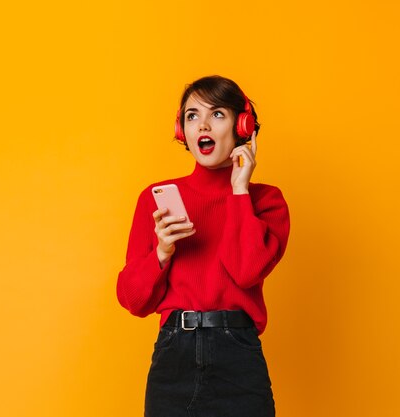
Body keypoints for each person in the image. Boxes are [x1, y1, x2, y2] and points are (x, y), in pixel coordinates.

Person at [117, 75, 290, 417]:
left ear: (243, 126)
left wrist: (240, 191)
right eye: (192, 116)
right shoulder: (157, 199)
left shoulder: (267, 202)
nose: (203, 125)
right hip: (174, 357)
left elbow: (246, 271)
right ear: (182, 130)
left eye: (218, 114)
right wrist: (162, 253)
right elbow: (133, 300)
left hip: (238, 358)